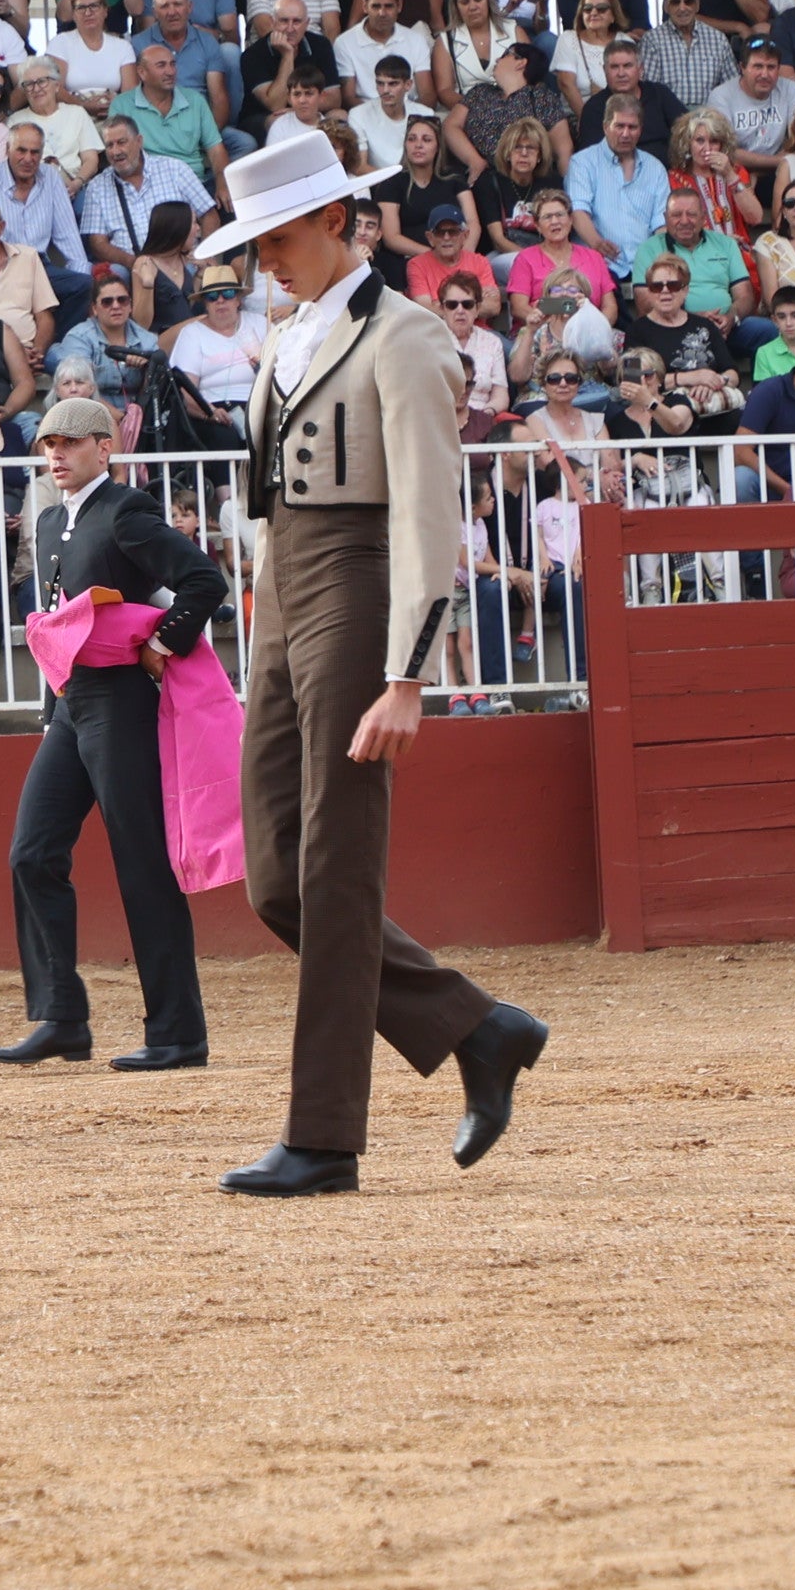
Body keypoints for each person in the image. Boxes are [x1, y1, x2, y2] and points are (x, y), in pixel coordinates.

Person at [197, 128, 547, 1196]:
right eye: (254, 242)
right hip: (285, 590)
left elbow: (430, 511)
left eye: (278, 237)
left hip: (358, 586)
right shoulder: (290, 333)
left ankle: (324, 1135)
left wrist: (408, 675)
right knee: (276, 872)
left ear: (337, 220)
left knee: (335, 866)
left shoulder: (404, 333)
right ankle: (477, 1028)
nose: (263, 260)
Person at [0, 392, 231, 1074]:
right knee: (32, 852)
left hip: (123, 702)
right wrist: (50, 712)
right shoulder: (48, 522)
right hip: (71, 705)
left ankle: (178, 1032)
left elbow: (203, 581)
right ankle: (62, 1018)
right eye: (49, 444)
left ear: (106, 448)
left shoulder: (127, 510)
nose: (57, 454)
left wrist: (161, 642)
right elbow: (55, 628)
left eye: (70, 442)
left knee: (141, 861)